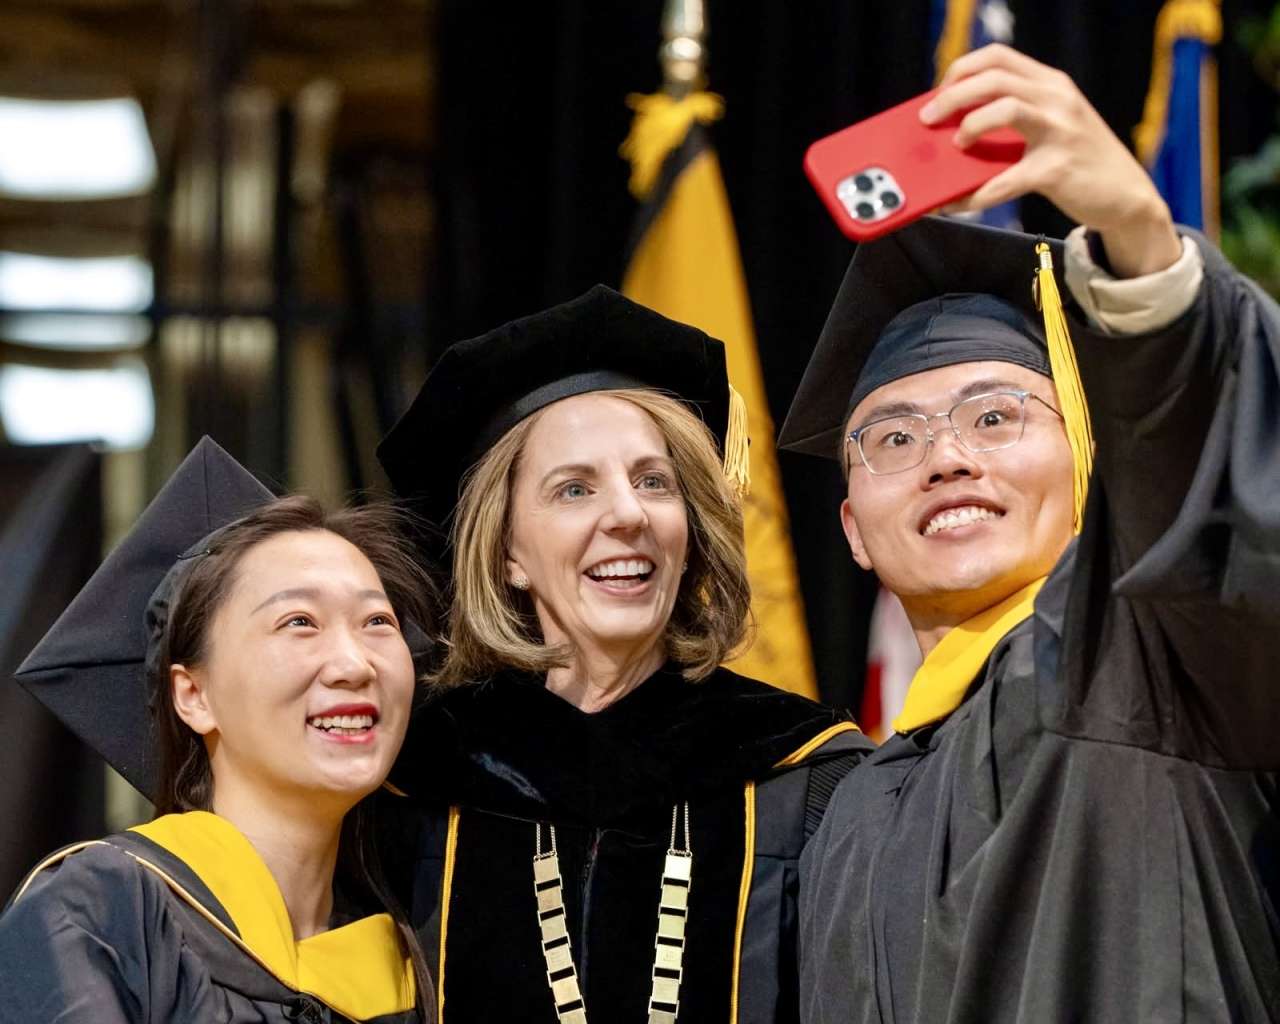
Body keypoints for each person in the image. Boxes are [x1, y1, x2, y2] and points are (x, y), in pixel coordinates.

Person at [779, 45, 1280, 1022]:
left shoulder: (1145, 664)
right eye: (891, 436)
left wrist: (1139, 246)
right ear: (851, 528)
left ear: (1090, 457)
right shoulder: (839, 817)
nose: (945, 457)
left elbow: (1206, 500)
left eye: (995, 416)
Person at [376, 285, 872, 1024]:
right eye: (574, 489)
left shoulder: (808, 776)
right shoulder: (413, 783)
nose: (628, 514)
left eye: (654, 482)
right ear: (508, 551)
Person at [1, 437, 436, 1023]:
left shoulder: (415, 956)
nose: (355, 663)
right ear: (194, 695)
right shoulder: (100, 913)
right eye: (299, 621)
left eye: (377, 621)